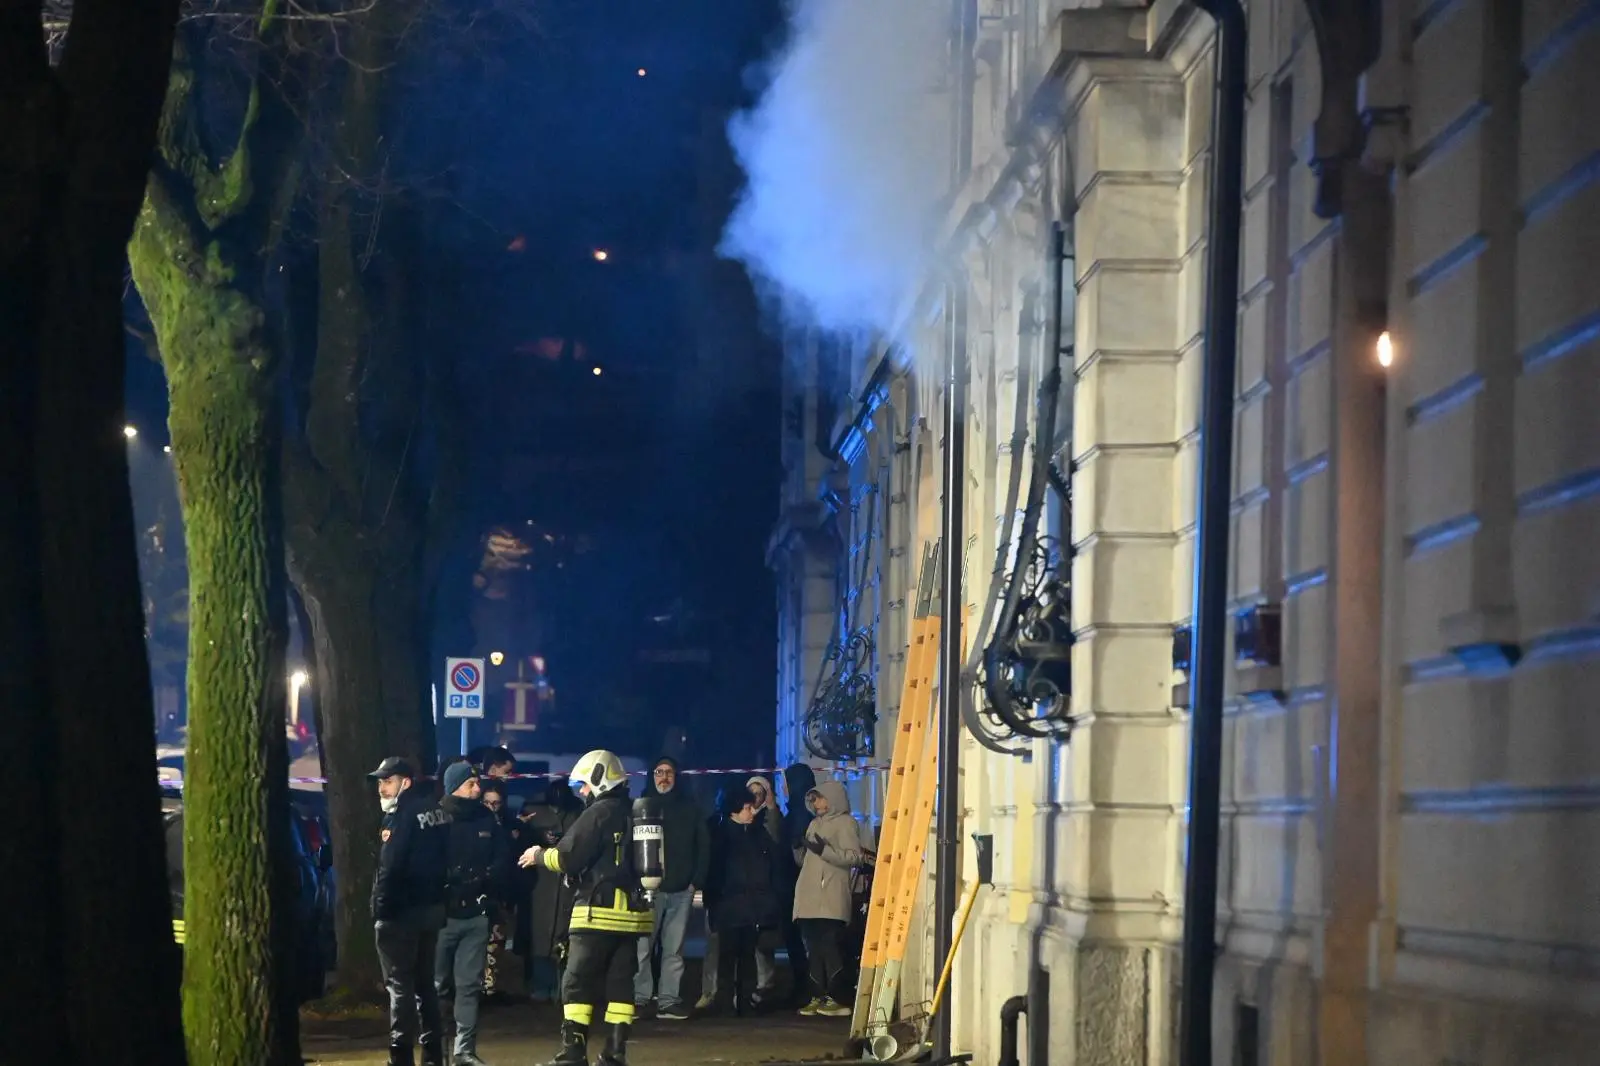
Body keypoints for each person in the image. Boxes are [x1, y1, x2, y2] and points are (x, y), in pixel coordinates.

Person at [519, 749, 650, 1066]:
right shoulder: (635, 812)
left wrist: (538, 855)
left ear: (599, 780)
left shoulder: (598, 813)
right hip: (633, 916)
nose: (581, 791)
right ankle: (615, 1054)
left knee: (576, 981)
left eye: (585, 785)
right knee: (620, 985)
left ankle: (573, 1052)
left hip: (596, 912)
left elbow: (567, 857)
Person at [370, 756, 451, 1066]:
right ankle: (433, 1053)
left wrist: (380, 908)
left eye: (387, 781)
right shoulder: (436, 811)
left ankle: (400, 1054)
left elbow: (390, 867)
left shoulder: (401, 817)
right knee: (423, 982)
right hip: (430, 909)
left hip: (401, 912)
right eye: (379, 781)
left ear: (405, 782)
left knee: (399, 985)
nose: (381, 788)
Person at [436, 762, 510, 1066]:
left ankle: (464, 1051)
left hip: (476, 915)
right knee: (437, 985)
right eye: (471, 783)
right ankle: (435, 1048)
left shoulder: (486, 819)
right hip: (441, 916)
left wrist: (487, 881)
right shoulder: (436, 817)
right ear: (455, 785)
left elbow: (503, 857)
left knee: (469, 985)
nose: (478, 788)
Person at [634, 756, 709, 1020]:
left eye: (668, 773)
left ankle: (667, 1001)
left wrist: (695, 880)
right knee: (642, 947)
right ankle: (640, 999)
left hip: (680, 890)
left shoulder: (690, 808)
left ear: (677, 777)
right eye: (658, 772)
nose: (663, 777)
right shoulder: (642, 806)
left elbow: (703, 844)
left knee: (674, 949)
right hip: (649, 891)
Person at [703, 785, 782, 1016]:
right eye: (746, 807)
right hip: (730, 906)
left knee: (747, 957)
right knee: (728, 957)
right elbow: (715, 875)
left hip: (750, 907)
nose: (751, 811)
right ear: (733, 811)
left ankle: (744, 1001)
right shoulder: (720, 836)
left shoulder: (757, 834)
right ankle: (726, 1002)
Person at [791, 778, 864, 1018]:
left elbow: (854, 857)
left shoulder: (846, 823)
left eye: (819, 797)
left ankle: (838, 997)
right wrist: (797, 848)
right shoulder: (814, 823)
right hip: (809, 896)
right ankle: (817, 995)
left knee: (830, 946)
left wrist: (825, 850)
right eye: (812, 799)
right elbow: (806, 862)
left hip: (830, 895)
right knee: (813, 948)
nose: (815, 802)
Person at [518, 777, 582, 1002]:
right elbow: (519, 840)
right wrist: (536, 836)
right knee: (540, 936)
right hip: (540, 882)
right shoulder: (533, 810)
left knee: (564, 936)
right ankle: (540, 986)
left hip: (566, 881)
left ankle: (561, 989)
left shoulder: (578, 811)